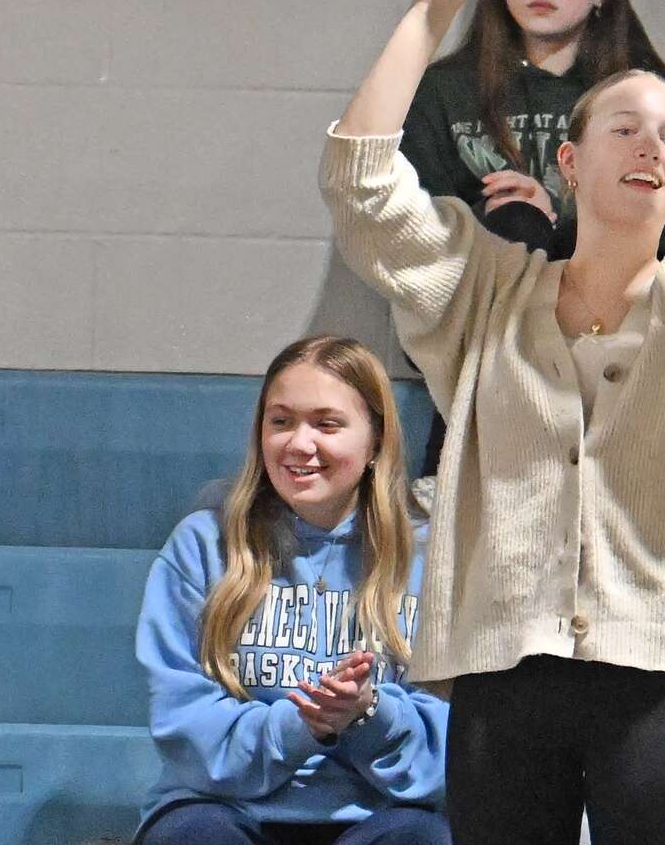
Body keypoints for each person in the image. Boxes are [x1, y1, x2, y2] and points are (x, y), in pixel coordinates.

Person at [319, 0, 665, 845]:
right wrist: (432, 10)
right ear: (570, 165)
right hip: (505, 674)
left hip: (663, 676)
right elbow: (359, 182)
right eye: (625, 128)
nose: (651, 148)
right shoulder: (484, 287)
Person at [401, 0, 665, 475]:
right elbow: (413, 239)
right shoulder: (445, 91)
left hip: (609, 354)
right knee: (514, 225)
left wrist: (561, 215)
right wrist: (500, 220)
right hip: (481, 356)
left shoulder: (648, 100)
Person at [134, 335, 448, 845]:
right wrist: (302, 722)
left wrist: (368, 713)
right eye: (280, 421)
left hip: (379, 812)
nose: (299, 444)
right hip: (226, 807)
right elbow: (186, 730)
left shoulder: (431, 557)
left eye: (327, 424)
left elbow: (453, 746)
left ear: (374, 441)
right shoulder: (203, 545)